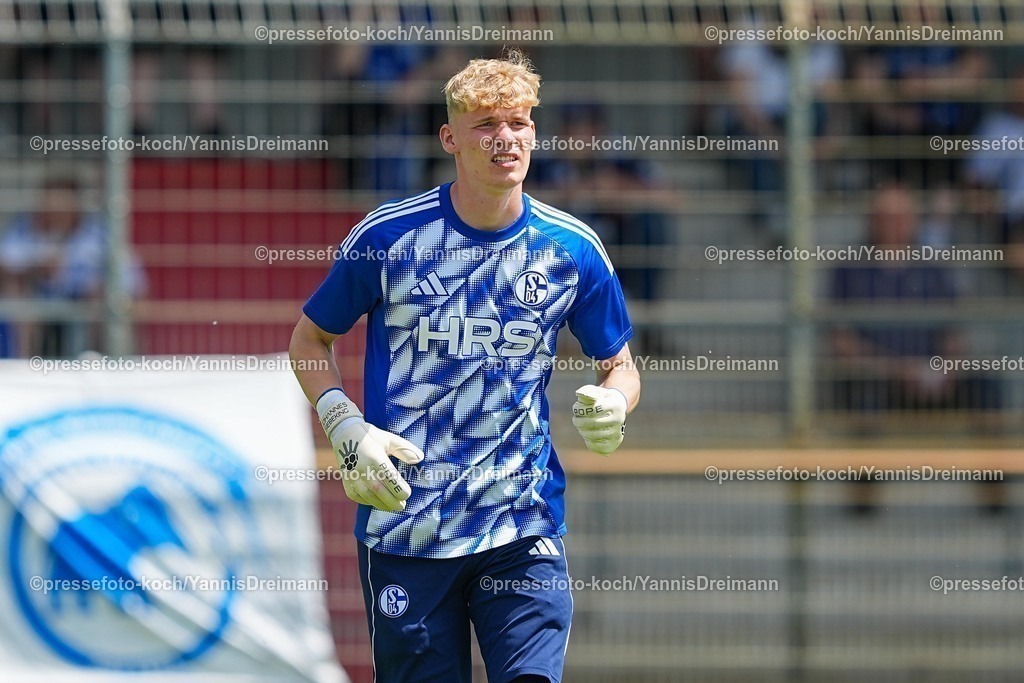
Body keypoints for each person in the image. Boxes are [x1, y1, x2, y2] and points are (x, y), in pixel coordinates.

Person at [289, 50, 641, 682]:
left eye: (518, 122)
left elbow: (619, 363)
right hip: (408, 526)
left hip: (521, 524)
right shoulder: (388, 237)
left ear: (534, 132)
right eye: (485, 124)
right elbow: (310, 341)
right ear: (449, 137)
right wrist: (346, 429)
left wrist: (615, 398)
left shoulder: (572, 249)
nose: (504, 138)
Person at [828, 183, 1002, 512]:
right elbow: (841, 340)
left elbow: (953, 331)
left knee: (986, 387)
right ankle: (863, 502)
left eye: (902, 215)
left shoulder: (932, 266)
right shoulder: (849, 267)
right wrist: (898, 369)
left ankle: (994, 497)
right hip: (878, 377)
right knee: (863, 395)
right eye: (887, 215)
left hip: (932, 377)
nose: (895, 223)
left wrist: (946, 368)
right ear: (872, 220)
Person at [0, 172, 144, 357]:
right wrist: (35, 269)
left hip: (85, 304)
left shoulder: (99, 234)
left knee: (108, 299)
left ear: (76, 206)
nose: (54, 212)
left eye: (62, 205)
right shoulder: (24, 228)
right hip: (39, 303)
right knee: (16, 291)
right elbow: (5, 265)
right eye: (49, 204)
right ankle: (23, 363)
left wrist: (97, 284)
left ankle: (99, 361)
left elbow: (133, 280)